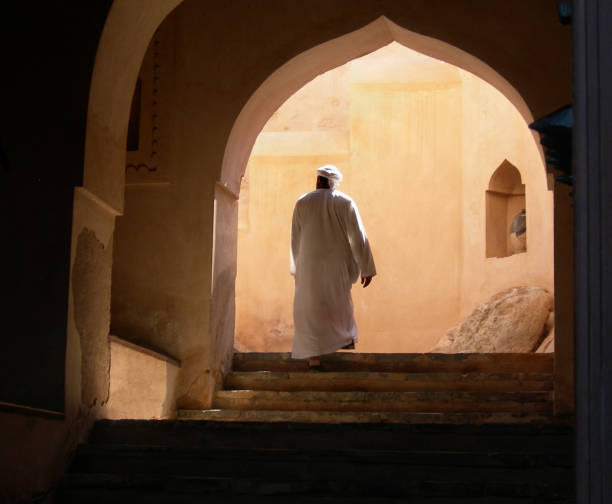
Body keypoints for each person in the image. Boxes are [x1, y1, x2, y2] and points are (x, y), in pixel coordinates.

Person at [290, 164, 376, 370]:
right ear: (333, 183)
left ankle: (313, 358)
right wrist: (367, 268)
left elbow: (295, 238)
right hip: (337, 266)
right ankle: (342, 341)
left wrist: (297, 268)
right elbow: (358, 236)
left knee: (310, 309)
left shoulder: (303, 202)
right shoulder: (345, 202)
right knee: (338, 303)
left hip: (309, 266)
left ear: (319, 181)